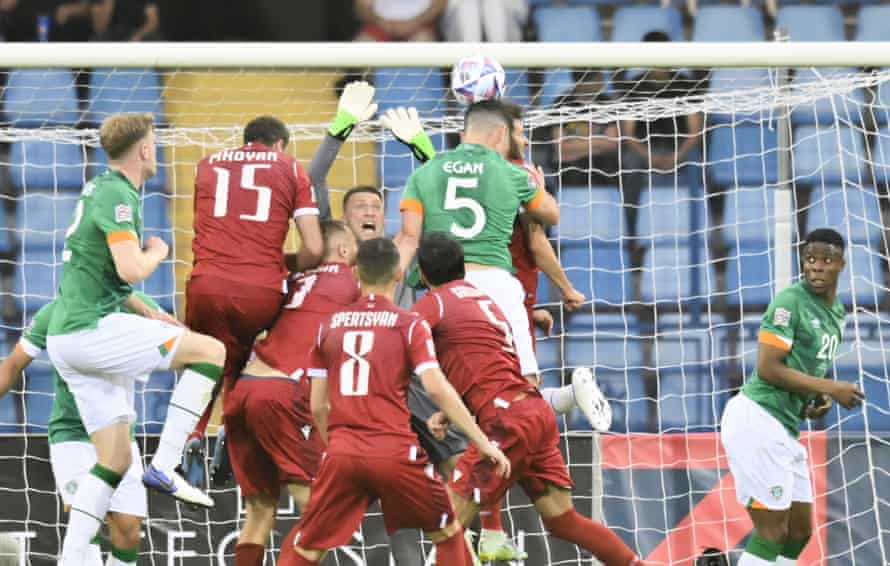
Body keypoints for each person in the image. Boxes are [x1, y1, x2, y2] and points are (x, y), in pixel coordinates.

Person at [45, 113, 225, 565]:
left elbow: (110, 277)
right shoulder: (118, 195)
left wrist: (153, 313)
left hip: (69, 338)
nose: (156, 150)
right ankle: (165, 464)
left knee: (115, 459)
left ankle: (72, 560)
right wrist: (157, 252)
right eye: (154, 143)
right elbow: (130, 269)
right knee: (211, 352)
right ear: (144, 150)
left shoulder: (101, 189)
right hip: (89, 330)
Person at [182, 82, 377, 483]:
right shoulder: (300, 185)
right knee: (242, 351)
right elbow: (313, 238)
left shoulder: (207, 165)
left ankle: (194, 433)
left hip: (207, 281)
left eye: (376, 206)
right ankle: (228, 431)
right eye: (361, 206)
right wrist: (276, 266)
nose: (369, 212)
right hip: (278, 333)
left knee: (212, 356)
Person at [413, 232, 646, 566]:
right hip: (533, 411)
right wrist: (449, 414)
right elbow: (484, 364)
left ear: (423, 275)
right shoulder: (482, 299)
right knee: (563, 519)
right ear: (462, 266)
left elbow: (400, 340)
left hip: (505, 421)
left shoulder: (433, 304)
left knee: (447, 526)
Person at [278, 237, 510, 566]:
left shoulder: (328, 325)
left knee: (307, 549)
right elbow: (436, 388)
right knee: (448, 533)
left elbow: (318, 406)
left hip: (343, 452)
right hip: (396, 453)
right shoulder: (409, 324)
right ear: (399, 275)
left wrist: (339, 444)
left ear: (355, 274)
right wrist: (482, 441)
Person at [720, 229, 865, 566]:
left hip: (784, 427)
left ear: (841, 264)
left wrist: (815, 397)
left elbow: (802, 368)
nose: (816, 266)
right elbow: (768, 368)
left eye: (826, 260)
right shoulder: (789, 303)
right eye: (810, 259)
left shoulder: (837, 314)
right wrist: (831, 387)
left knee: (800, 532)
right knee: (772, 532)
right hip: (757, 418)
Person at [394, 99, 560, 382]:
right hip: (496, 283)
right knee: (524, 380)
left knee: (450, 382)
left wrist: (381, 292)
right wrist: (539, 188)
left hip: (445, 292)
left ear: (464, 134)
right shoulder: (513, 173)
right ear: (500, 134)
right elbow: (551, 214)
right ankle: (557, 400)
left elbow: (408, 238)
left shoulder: (424, 173)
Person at [225, 220, 360, 566]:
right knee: (320, 510)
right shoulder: (352, 281)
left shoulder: (292, 281)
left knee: (259, 510)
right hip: (282, 394)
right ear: (344, 249)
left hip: (244, 388)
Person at [0, 291, 161, 566]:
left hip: (120, 434)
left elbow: (176, 342)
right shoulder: (55, 312)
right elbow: (14, 364)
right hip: (71, 435)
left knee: (128, 531)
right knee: (85, 522)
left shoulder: (138, 306)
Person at [353, 0, 445, 41]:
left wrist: (415, 23)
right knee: (359, 49)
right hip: (379, 27)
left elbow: (440, 3)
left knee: (423, 43)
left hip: (419, 28)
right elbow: (362, 8)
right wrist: (382, 22)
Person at [441, 0, 527, 42]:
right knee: (468, 4)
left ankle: (500, 60)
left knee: (494, 3)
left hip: (507, 10)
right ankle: (470, 63)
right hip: (460, 10)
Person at [89, 0, 159, 41]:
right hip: (110, 34)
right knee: (96, 41)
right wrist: (109, 3)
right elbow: (99, 28)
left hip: (137, 32)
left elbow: (152, 22)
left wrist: (138, 35)